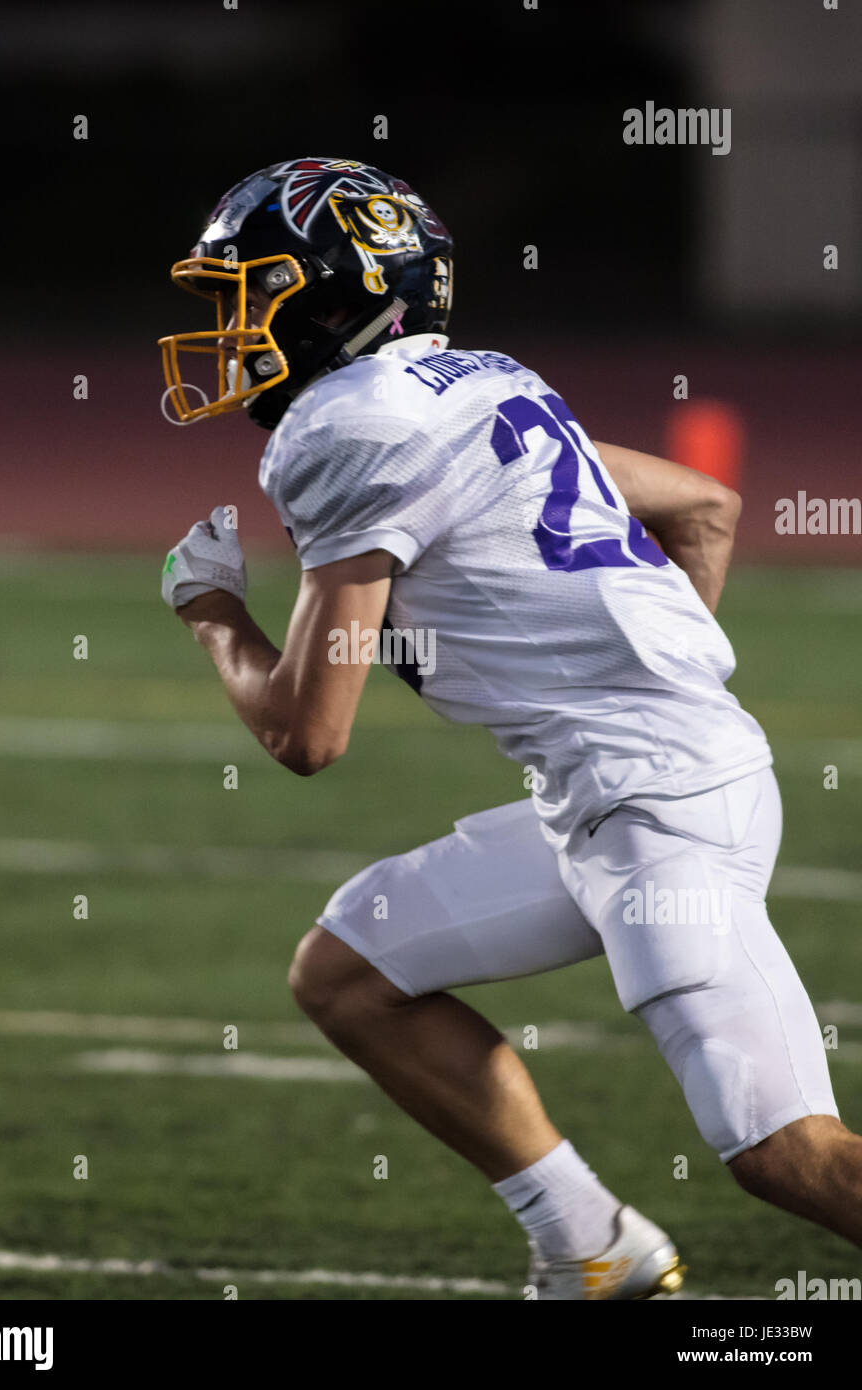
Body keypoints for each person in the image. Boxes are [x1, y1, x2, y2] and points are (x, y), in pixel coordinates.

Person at [159, 157, 855, 1299]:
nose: (234, 327)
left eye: (253, 292)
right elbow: (705, 505)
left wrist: (211, 613)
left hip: (654, 810)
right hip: (624, 788)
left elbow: (306, 733)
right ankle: (592, 1245)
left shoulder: (345, 430)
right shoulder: (478, 384)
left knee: (788, 1155)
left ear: (341, 300)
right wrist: (634, 684)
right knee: (350, 969)